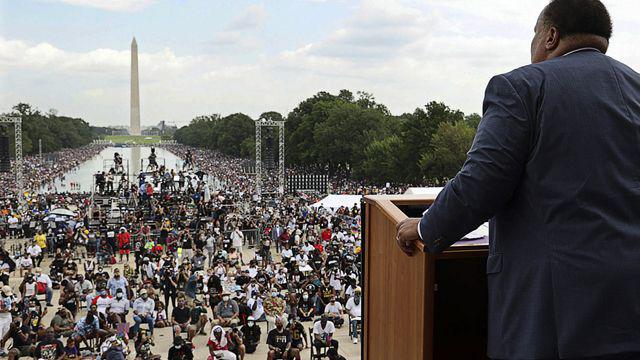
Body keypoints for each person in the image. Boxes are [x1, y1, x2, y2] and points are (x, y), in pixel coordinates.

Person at [395, 1, 640, 359]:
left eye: (534, 35)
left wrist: (421, 229)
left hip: (552, 310)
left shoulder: (522, 86)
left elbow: (480, 182)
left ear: (551, 36)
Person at [0, 285, 13, 356]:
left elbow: (13, 304)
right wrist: (2, 310)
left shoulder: (10, 296)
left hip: (8, 317)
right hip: (0, 318)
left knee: (5, 335)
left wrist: (12, 308)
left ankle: (2, 350)